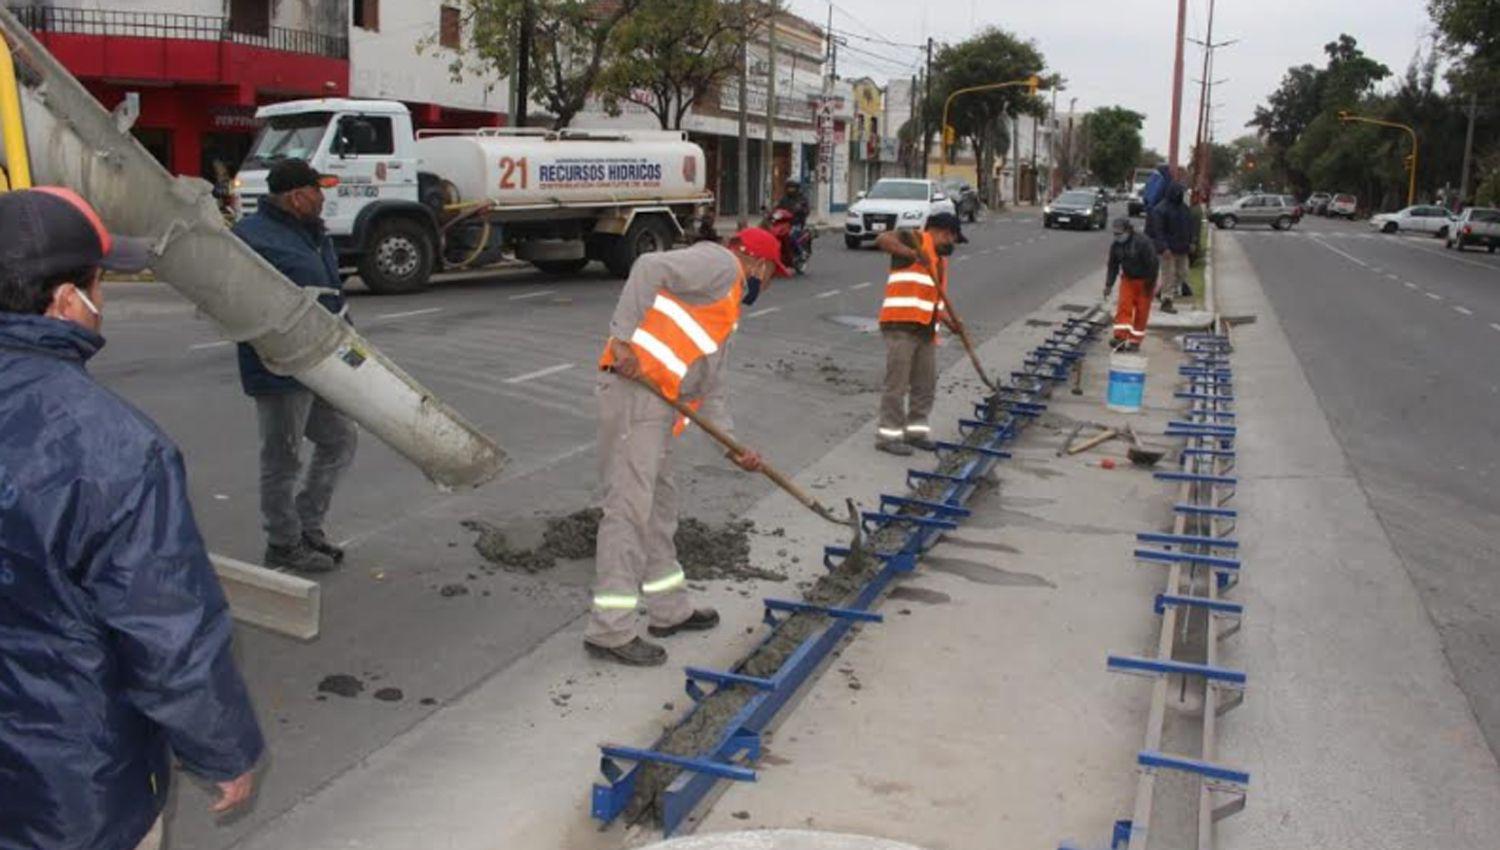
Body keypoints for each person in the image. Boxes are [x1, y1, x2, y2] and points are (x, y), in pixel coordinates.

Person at [0, 187, 264, 850]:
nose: (102, 302)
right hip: (66, 794)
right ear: (65, 301)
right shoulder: (111, 445)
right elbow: (167, 630)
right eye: (98, 283)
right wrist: (224, 750)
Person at [587, 227, 787, 666]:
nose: (769, 285)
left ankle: (669, 609)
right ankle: (610, 630)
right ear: (760, 264)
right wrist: (622, 338)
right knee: (628, 510)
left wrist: (735, 449)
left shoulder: (725, 311)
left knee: (659, 509)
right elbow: (647, 266)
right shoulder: (719, 265)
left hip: (655, 409)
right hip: (633, 391)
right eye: (773, 274)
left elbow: (711, 393)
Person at [233, 159, 358, 574]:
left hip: (321, 359)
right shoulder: (251, 239)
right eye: (318, 190)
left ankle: (307, 525)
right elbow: (234, 299)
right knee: (282, 459)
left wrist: (351, 343)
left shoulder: (312, 232)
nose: (324, 197)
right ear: (297, 195)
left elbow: (329, 294)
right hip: (278, 367)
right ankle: (282, 543)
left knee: (339, 438)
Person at [872, 212, 968, 456]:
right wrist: (913, 254)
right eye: (952, 238)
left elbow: (935, 301)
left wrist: (950, 322)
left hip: (925, 331)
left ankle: (915, 432)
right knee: (897, 384)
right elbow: (883, 239)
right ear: (942, 232)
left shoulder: (940, 261)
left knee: (924, 385)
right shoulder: (915, 239)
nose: (953, 245)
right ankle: (888, 436)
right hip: (900, 326)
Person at [1104, 217, 1161, 352]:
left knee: (1142, 312)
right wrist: (1108, 285)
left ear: (1128, 231)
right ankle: (1120, 338)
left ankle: (1135, 341)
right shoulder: (1116, 246)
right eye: (1115, 234)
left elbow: (1153, 264)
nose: (1117, 237)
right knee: (1124, 307)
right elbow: (1113, 266)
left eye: (1119, 234)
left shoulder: (1142, 242)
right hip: (1128, 280)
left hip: (1145, 280)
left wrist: (1150, 284)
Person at [1148, 182, 1194, 314]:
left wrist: (1191, 242)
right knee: (1169, 274)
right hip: (1168, 249)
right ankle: (1166, 301)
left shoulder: (1184, 208)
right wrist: (1164, 247)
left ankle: (1162, 292)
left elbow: (1189, 226)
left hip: (1182, 247)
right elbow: (1158, 231)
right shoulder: (1160, 209)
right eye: (1178, 192)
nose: (1180, 195)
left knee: (1183, 274)